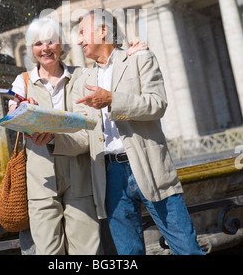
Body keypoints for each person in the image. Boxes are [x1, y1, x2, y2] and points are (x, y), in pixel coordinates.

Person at [50, 9, 205, 255]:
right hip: (109, 174)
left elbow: (157, 105)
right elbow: (86, 136)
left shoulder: (139, 59)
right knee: (128, 255)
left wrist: (112, 100)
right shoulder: (83, 79)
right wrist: (51, 140)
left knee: (186, 249)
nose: (78, 41)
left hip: (148, 166)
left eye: (82, 32)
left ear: (103, 31)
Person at [8, 15, 147, 255]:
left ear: (61, 45)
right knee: (49, 253)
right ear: (32, 49)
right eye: (38, 44)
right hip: (40, 180)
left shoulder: (83, 76)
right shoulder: (23, 82)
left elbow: (94, 122)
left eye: (51, 42)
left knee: (87, 250)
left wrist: (134, 53)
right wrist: (19, 110)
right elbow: (13, 112)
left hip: (80, 175)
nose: (45, 49)